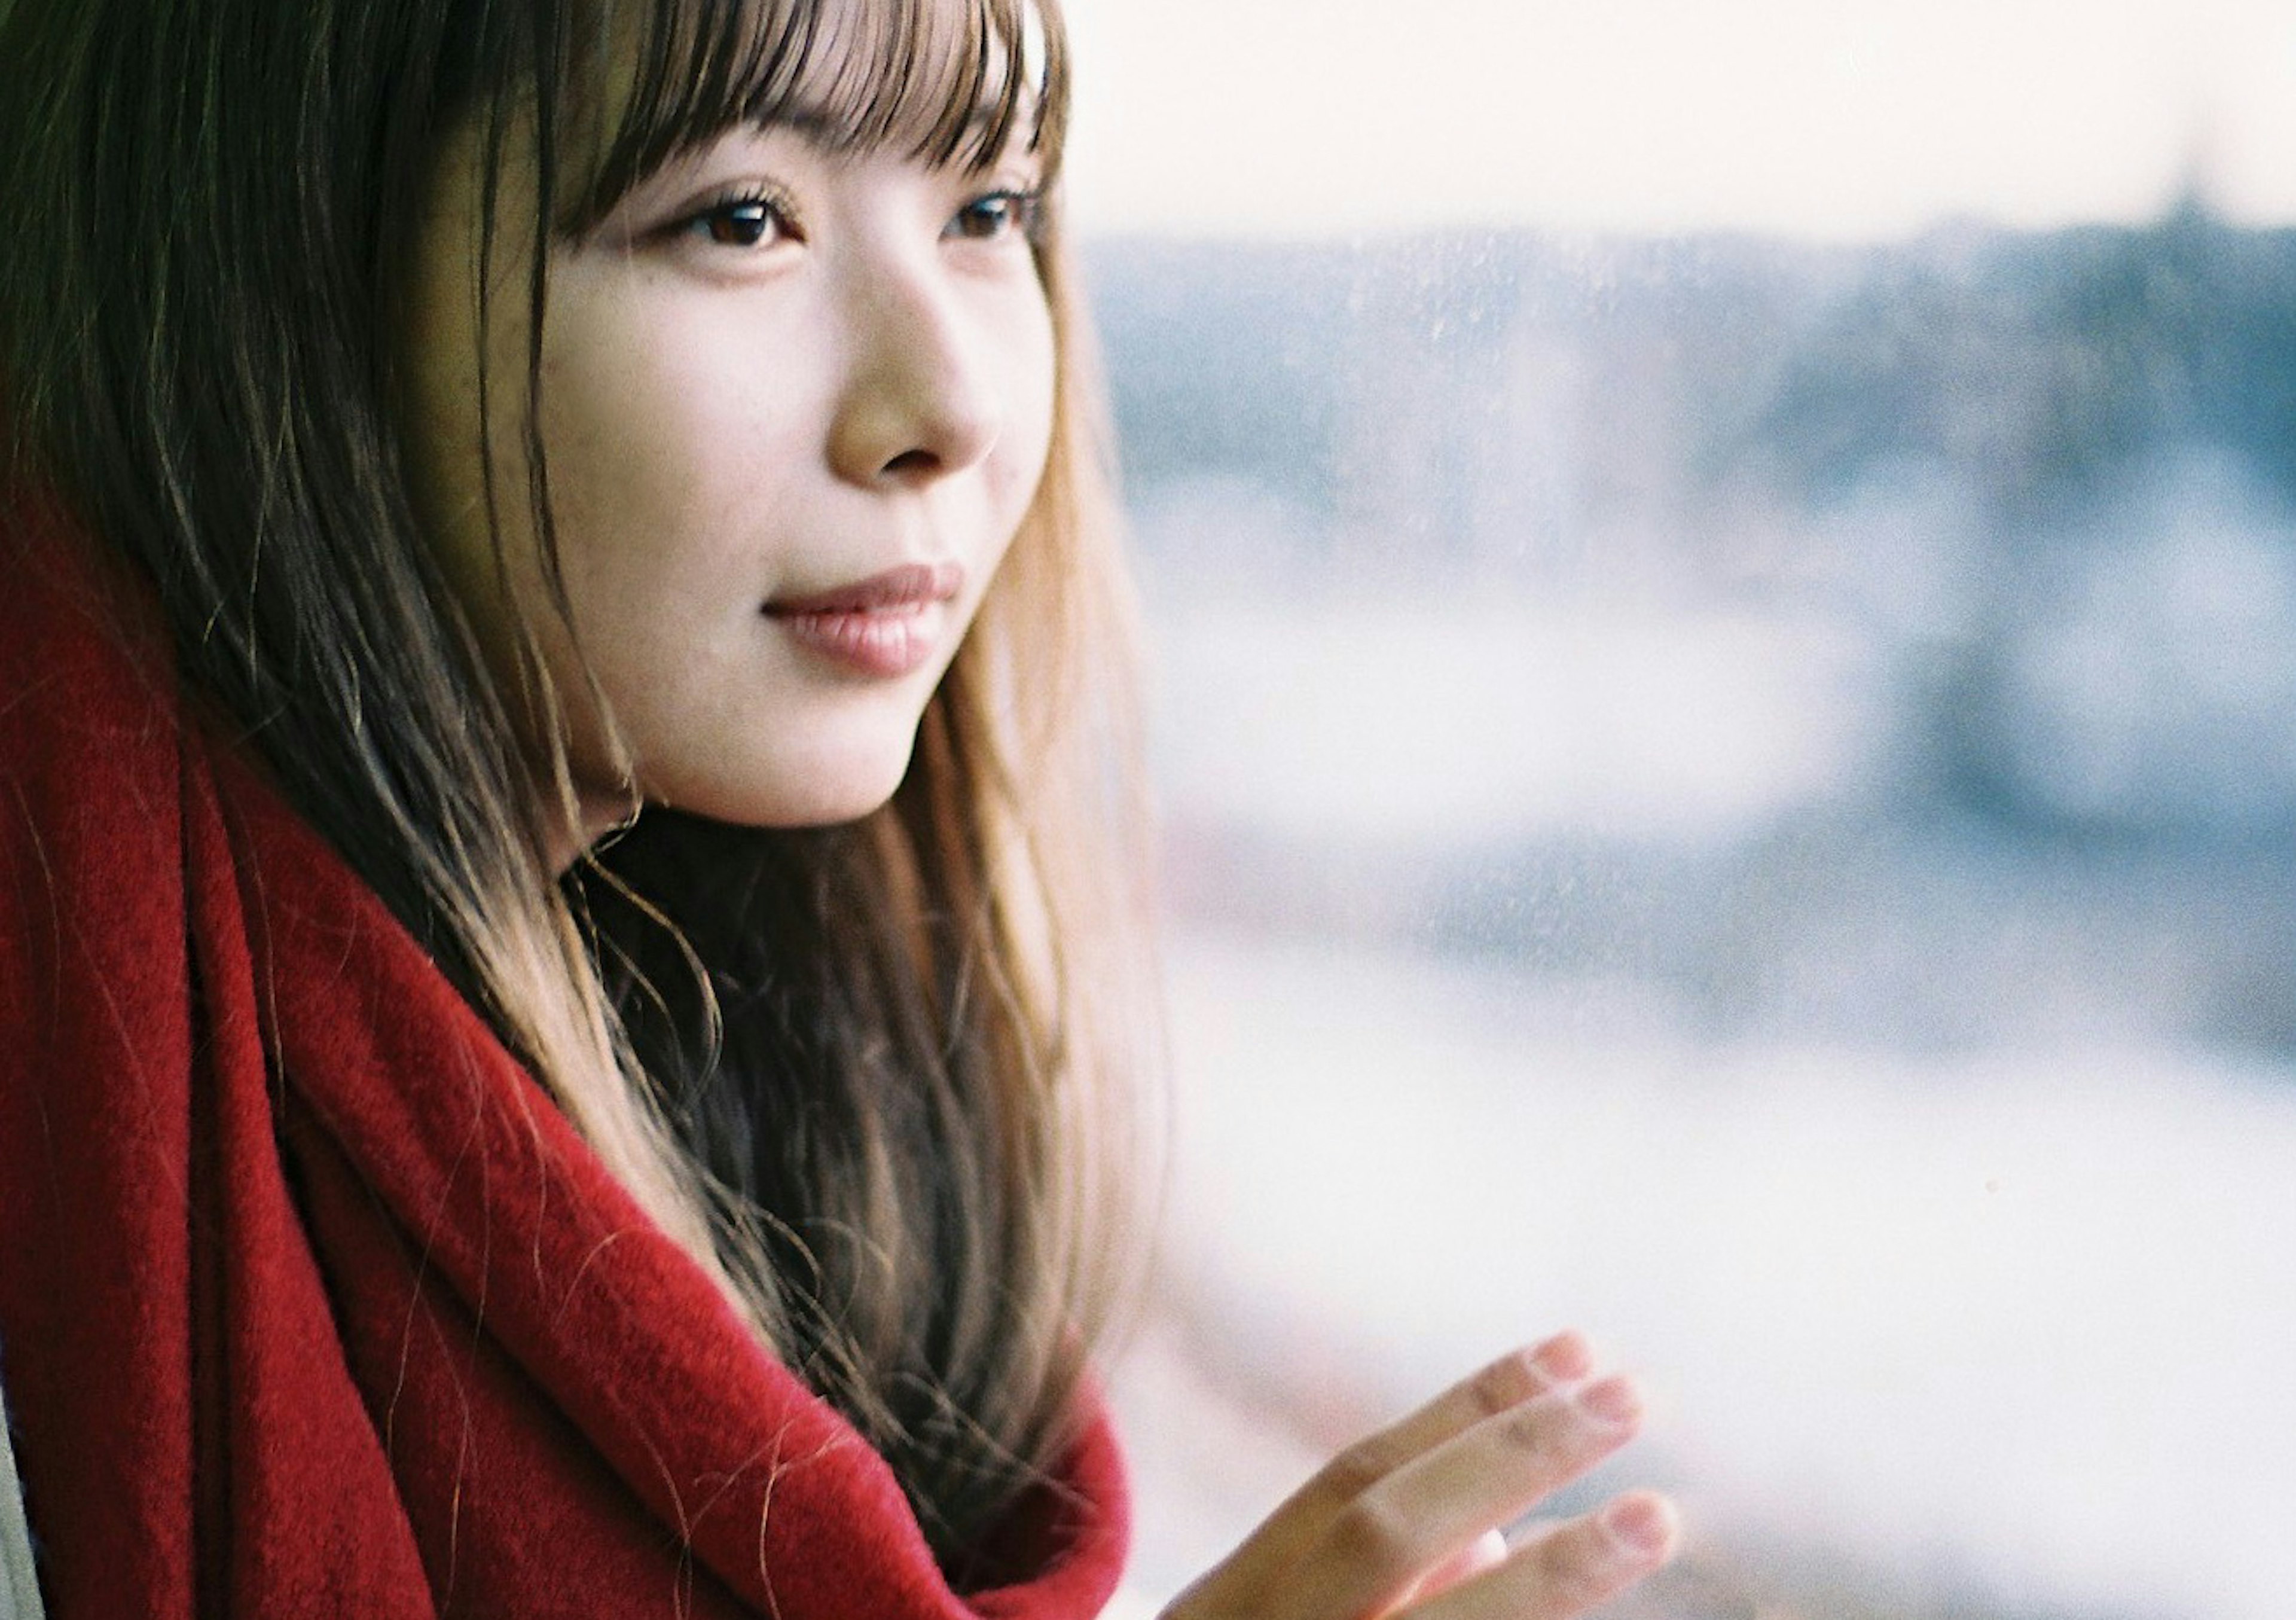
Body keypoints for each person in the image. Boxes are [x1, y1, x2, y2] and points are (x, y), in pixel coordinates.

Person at [0, 0, 1680, 1614]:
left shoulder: (777, 1131)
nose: (948, 409)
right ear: (293, 289)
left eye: (989, 206)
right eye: (742, 220)